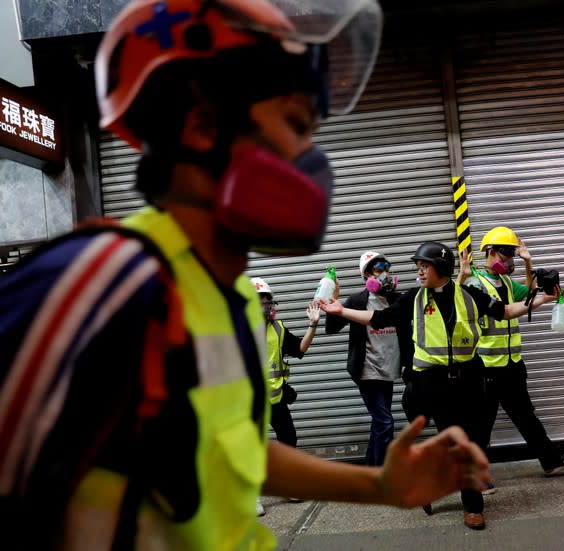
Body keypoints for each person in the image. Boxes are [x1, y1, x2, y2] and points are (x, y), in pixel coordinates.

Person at [0, 1, 490, 549]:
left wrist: (381, 485)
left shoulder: (227, 294)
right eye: (294, 124)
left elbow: (237, 451)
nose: (311, 157)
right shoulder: (106, 282)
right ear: (203, 125)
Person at [320, 241, 540, 531]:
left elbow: (504, 311)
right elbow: (378, 318)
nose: (420, 272)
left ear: (442, 268)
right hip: (432, 384)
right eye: (418, 267)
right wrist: (342, 311)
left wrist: (543, 298)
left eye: (425, 266)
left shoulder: (469, 294)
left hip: (470, 379)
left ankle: (472, 506)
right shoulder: (413, 298)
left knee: (470, 443)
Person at [461, 226, 564, 480]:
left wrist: (529, 263)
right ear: (491, 252)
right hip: (486, 366)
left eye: (512, 256)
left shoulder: (504, 281)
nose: (510, 261)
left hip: (511, 363)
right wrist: (538, 300)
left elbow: (527, 294)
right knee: (482, 425)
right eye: (507, 255)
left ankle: (551, 462)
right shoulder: (473, 282)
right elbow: (504, 311)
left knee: (525, 416)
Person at [324, 251, 405, 467]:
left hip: (389, 368)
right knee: (385, 422)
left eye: (387, 268)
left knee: (379, 423)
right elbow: (331, 329)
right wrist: (335, 303)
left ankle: (369, 468)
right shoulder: (358, 300)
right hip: (366, 370)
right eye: (380, 269)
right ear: (367, 274)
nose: (385, 273)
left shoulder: (396, 299)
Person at [251, 277, 319, 448]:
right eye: (259, 302)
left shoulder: (278, 329)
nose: (264, 307)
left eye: (267, 302)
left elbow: (300, 349)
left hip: (276, 400)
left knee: (289, 440)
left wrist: (313, 324)